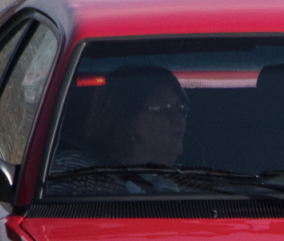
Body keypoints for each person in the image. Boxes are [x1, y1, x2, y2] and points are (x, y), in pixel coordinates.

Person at [52, 65, 189, 172]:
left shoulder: (193, 182)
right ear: (126, 121)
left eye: (181, 109)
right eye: (164, 109)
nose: (179, 119)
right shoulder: (78, 171)